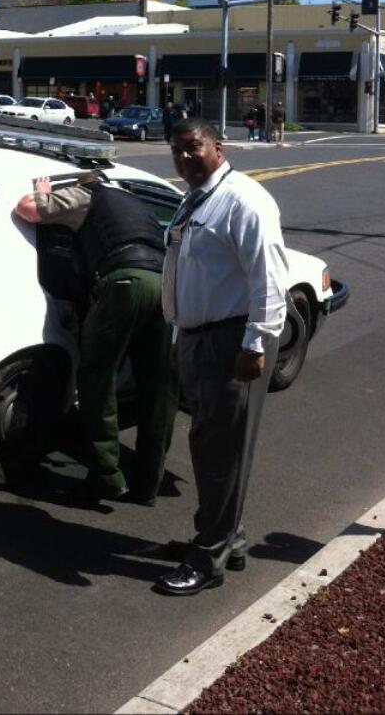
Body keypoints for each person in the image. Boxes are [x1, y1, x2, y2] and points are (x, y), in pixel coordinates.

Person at [155, 117, 288, 597]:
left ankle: (208, 559)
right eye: (176, 150)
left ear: (217, 144)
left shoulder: (245, 201)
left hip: (231, 340)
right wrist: (177, 338)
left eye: (193, 147)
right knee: (209, 447)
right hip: (197, 338)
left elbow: (269, 279)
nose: (184, 157)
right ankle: (227, 539)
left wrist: (255, 345)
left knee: (222, 453)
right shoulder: (195, 199)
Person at [14, 173, 178, 506]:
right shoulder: (137, 203)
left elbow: (28, 209)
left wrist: (44, 194)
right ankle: (148, 484)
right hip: (165, 288)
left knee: (96, 379)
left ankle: (106, 477)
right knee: (159, 388)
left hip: (124, 283)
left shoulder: (88, 195)